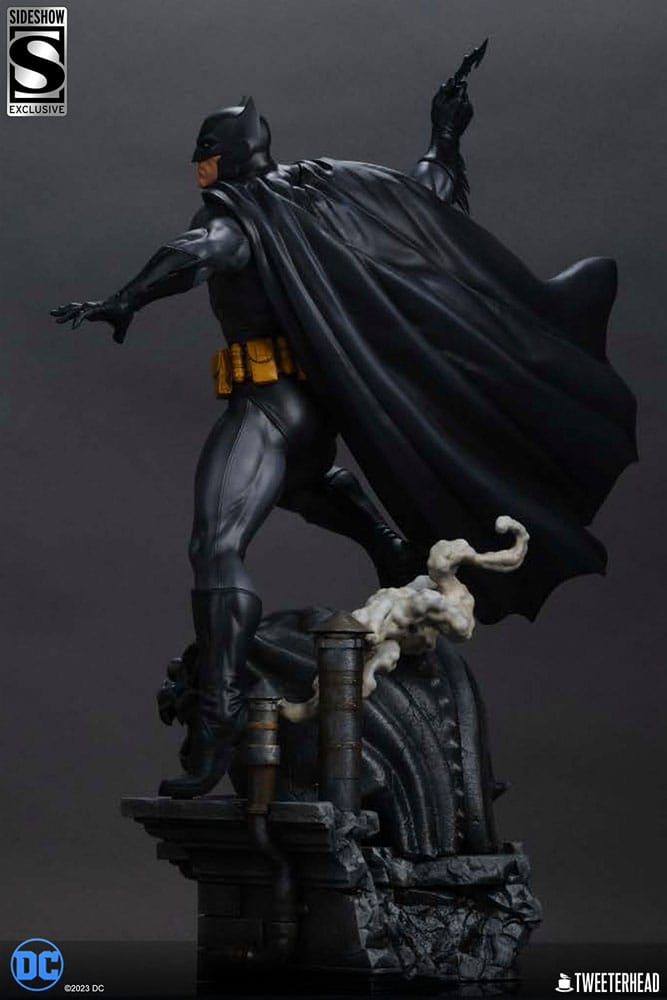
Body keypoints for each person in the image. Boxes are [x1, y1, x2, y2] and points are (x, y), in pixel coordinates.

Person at [52, 65, 636, 798]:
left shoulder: (241, 218)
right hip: (310, 414)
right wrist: (444, 136)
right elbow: (422, 198)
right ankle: (383, 541)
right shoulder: (325, 191)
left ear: (222, 155)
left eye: (204, 152)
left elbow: (197, 253)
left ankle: (218, 718)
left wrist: (124, 299)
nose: (197, 166)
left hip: (269, 407)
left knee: (215, 545)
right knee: (299, 486)